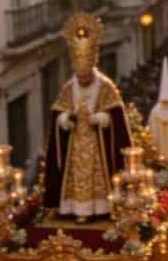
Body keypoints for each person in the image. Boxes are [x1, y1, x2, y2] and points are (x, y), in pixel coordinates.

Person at [42, 14, 132, 221]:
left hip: (97, 145)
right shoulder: (69, 87)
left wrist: (101, 118)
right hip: (75, 144)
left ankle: (101, 209)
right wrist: (65, 119)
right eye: (80, 76)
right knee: (75, 179)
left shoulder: (105, 86)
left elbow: (116, 117)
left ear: (92, 67)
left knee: (97, 179)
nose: (83, 80)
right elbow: (58, 114)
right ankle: (77, 210)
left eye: (86, 76)